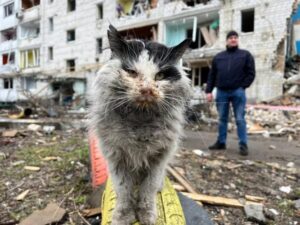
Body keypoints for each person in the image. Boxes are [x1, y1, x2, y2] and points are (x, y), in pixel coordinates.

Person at [205, 30, 255, 156]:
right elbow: (212, 75)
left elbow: (251, 73)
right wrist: (209, 91)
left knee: (239, 119)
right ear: (227, 40)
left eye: (235, 37)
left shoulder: (245, 55)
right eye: (231, 37)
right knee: (222, 118)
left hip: (237, 91)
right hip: (221, 92)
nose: (233, 39)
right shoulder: (219, 57)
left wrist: (243, 86)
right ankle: (221, 142)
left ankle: (243, 144)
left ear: (237, 40)